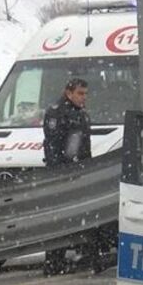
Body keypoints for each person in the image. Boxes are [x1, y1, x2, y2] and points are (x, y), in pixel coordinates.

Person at [42, 79, 94, 275]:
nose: (84, 97)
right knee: (60, 219)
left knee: (79, 216)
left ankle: (84, 254)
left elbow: (83, 146)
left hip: (79, 173)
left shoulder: (80, 113)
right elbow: (54, 147)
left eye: (86, 94)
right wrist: (61, 175)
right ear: (69, 93)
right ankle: (54, 262)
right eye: (80, 93)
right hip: (64, 175)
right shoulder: (57, 112)